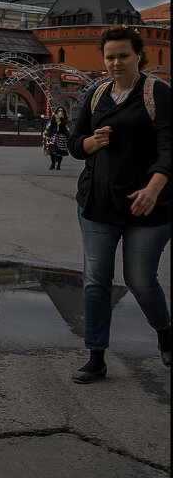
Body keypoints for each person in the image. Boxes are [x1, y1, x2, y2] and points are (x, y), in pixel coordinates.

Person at [67, 25, 170, 383]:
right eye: (109, 56)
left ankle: (165, 332)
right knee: (96, 280)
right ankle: (96, 356)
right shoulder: (97, 94)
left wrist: (154, 188)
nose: (115, 62)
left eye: (123, 55)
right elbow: (74, 142)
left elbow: (170, 149)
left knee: (140, 280)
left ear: (139, 55)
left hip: (149, 208)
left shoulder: (158, 93)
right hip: (97, 204)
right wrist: (91, 143)